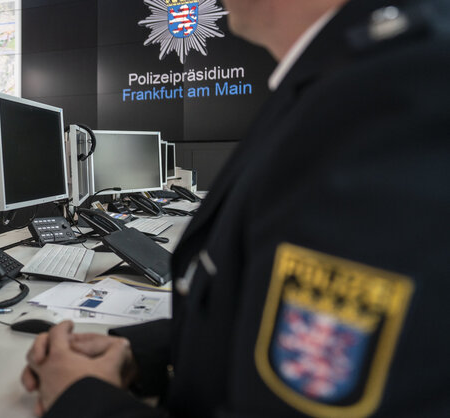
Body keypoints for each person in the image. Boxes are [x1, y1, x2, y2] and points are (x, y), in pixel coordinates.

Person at [22, 0, 450, 416]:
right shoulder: (341, 76)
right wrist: (140, 353)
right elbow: (254, 302)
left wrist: (80, 398)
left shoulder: (392, 96)